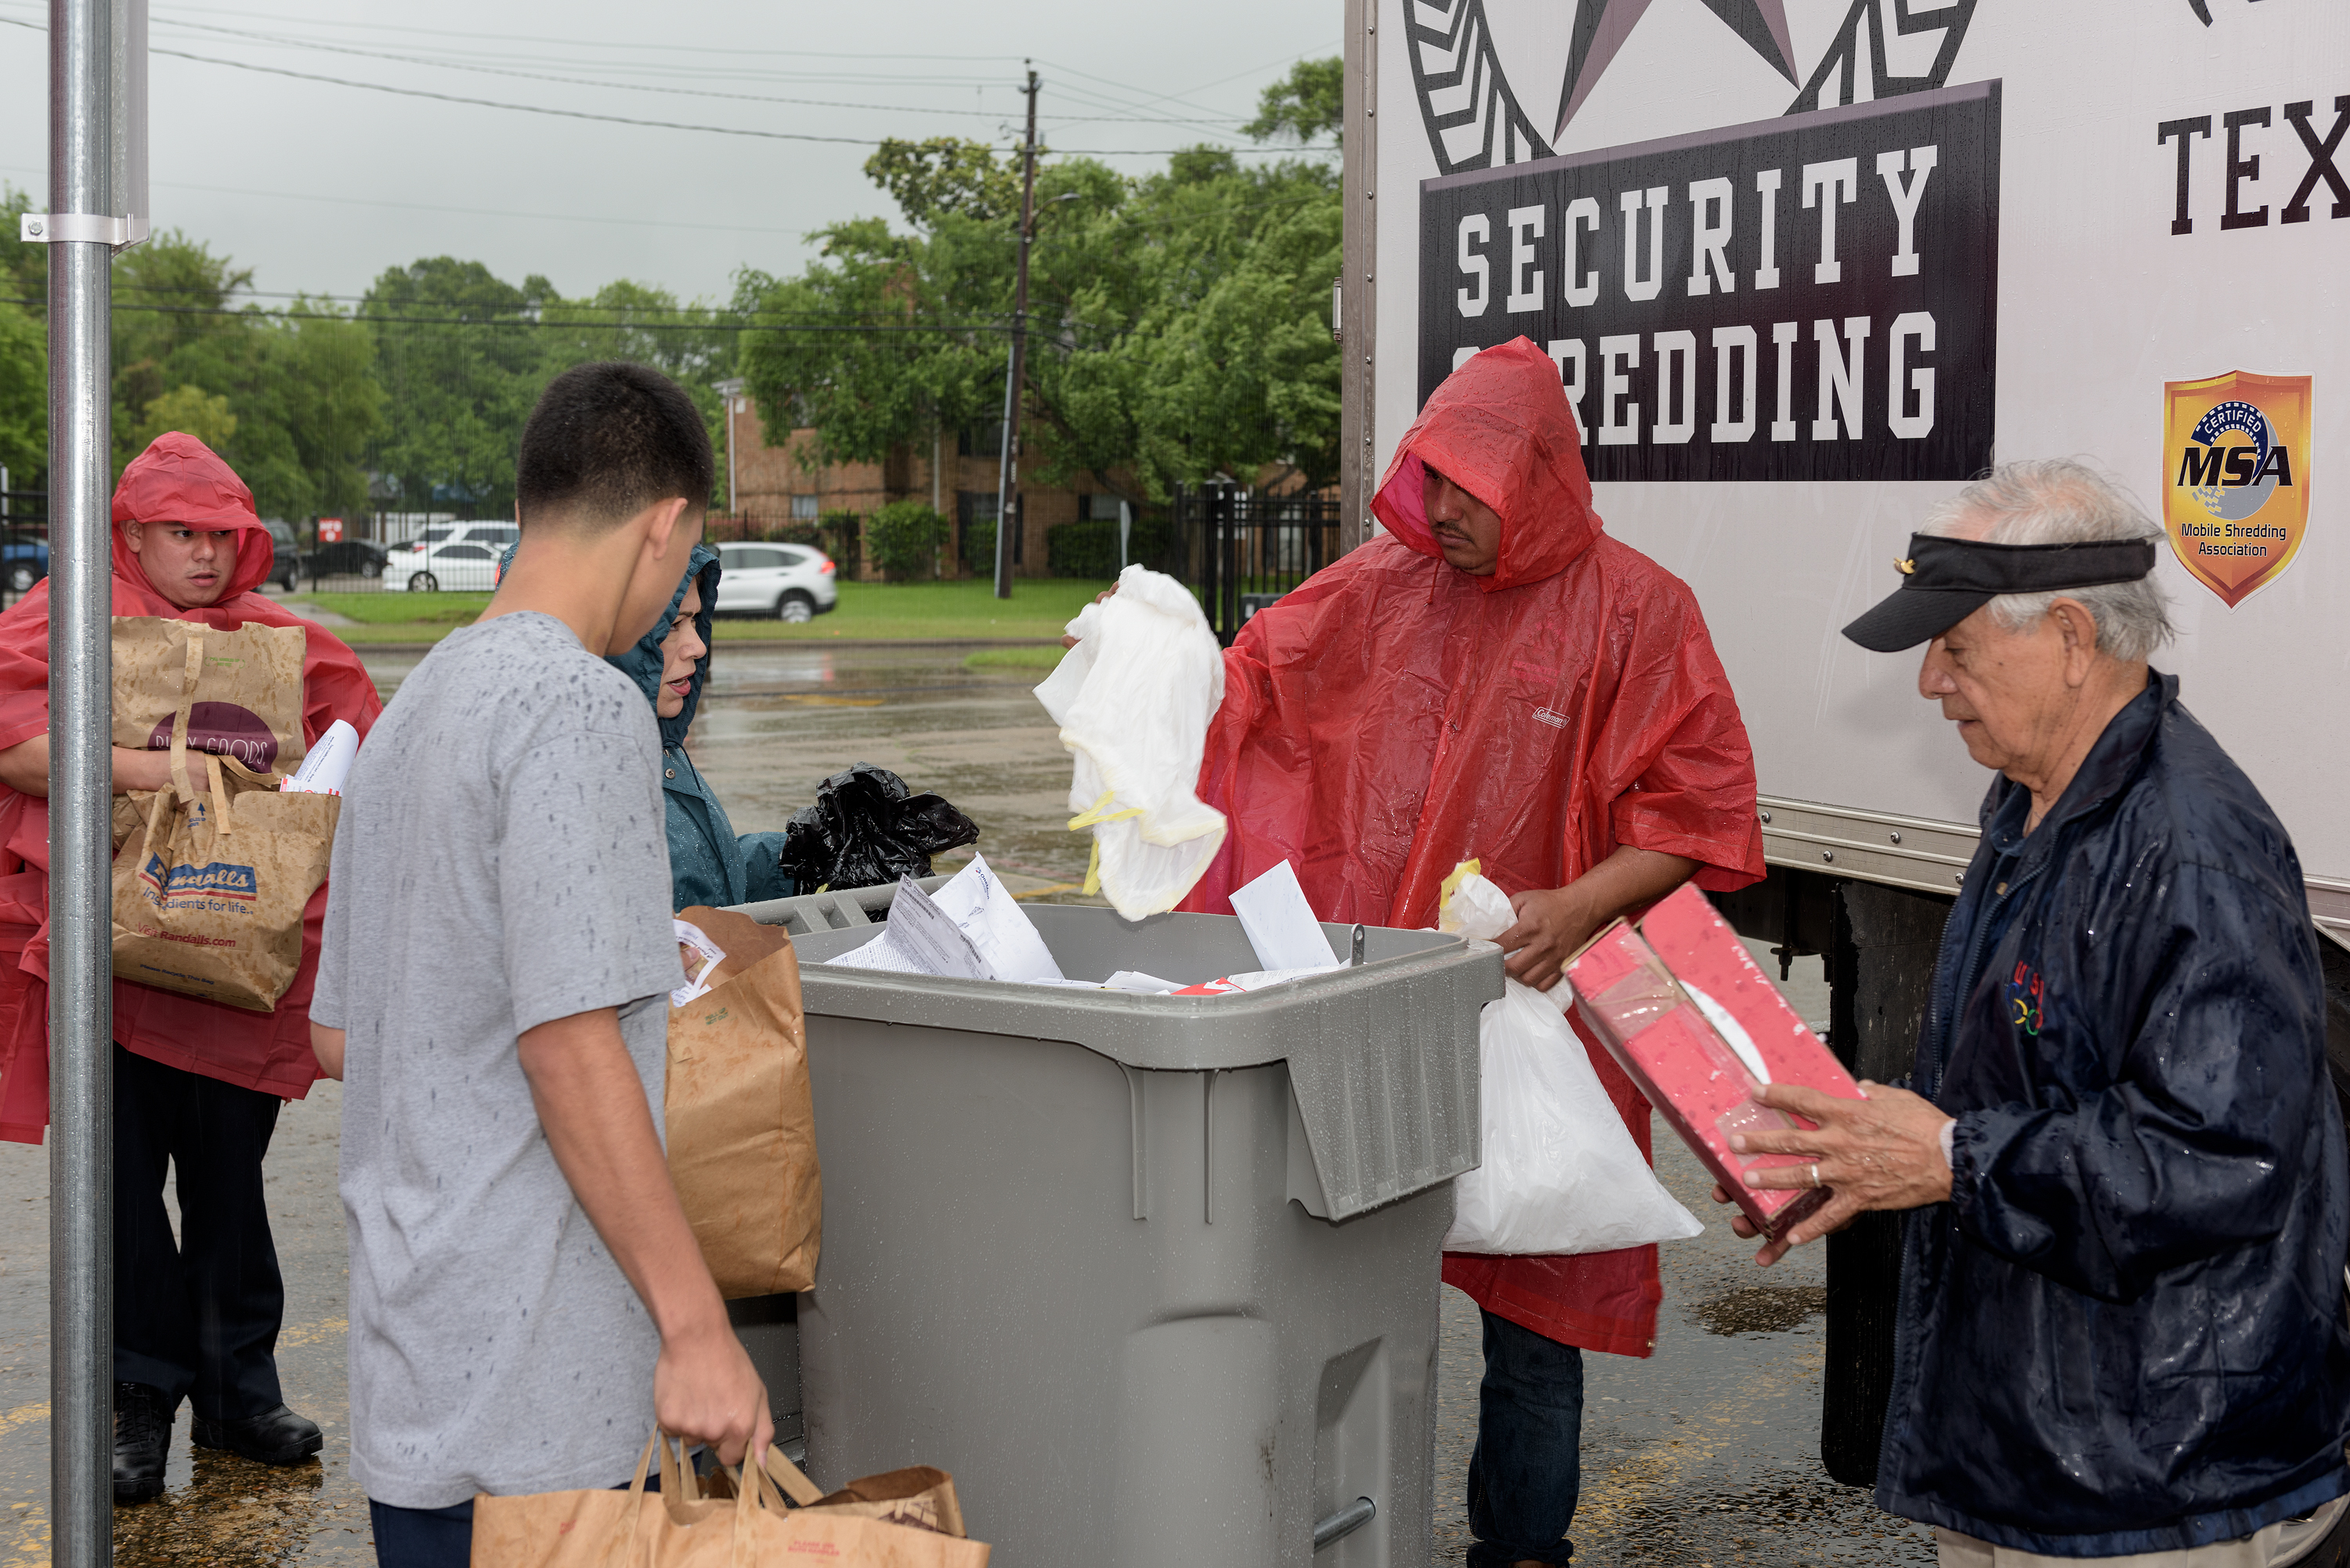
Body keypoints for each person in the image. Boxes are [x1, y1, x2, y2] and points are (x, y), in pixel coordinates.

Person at [1176, 337, 1765, 1566]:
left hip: (1537, 1023)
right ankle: (1338, 1534)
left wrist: (1578, 900)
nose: (1438, 508)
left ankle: (1520, 1552)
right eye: (1427, 477)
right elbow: (1253, 683)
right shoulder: (1382, 584)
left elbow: (1698, 809)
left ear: (1540, 474)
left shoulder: (1639, 610)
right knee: (1347, 1302)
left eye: (1467, 483)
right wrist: (1147, 675)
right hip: (1385, 1014)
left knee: (1536, 1336)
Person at [1733, 460, 2350, 1562]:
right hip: (2053, 1462)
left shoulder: (2192, 850)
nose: (1930, 681)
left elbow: (2221, 1163)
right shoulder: (2038, 805)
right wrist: (1871, 1153)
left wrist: (1955, 1155)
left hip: (2154, 1492)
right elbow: (2020, 1089)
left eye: (1957, 646)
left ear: (2072, 636)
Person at [310, 362, 769, 1568]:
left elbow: (338, 1038)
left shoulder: (412, 712)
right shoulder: (579, 706)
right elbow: (569, 1043)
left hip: (417, 1360)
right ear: (663, 525)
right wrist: (696, 1325)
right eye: (685, 561)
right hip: (545, 1391)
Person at [0, 432, 381, 1500]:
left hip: (231, 968)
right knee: (120, 1194)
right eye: (183, 533)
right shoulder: (63, 614)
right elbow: (16, 740)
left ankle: (238, 1394)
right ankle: (137, 1397)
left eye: (224, 533)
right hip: (107, 971)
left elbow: (364, 751)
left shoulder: (284, 637)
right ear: (129, 533)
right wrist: (164, 765)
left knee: (228, 1186)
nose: (208, 555)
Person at [599, 543, 791, 910]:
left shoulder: (657, 742)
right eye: (673, 624)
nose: (698, 647)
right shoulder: (582, 778)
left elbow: (702, 884)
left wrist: (803, 850)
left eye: (694, 621)